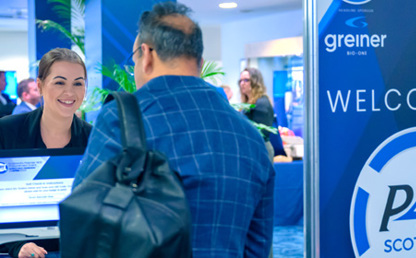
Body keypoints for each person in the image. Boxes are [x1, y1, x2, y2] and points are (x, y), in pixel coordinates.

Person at [73, 2, 274, 257]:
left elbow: (81, 222)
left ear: (146, 55)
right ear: (200, 62)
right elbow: (258, 245)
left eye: (133, 58)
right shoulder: (249, 136)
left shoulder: (122, 119)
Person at [0, 48, 92, 258]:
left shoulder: (93, 139)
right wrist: (17, 245)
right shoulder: (6, 131)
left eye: (78, 83)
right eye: (59, 82)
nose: (70, 92)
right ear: (40, 86)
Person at [239, 67, 275, 161]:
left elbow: (261, 133)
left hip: (260, 150)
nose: (242, 84)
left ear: (255, 82)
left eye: (246, 80)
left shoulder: (261, 103)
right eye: (241, 80)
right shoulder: (249, 103)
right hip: (251, 149)